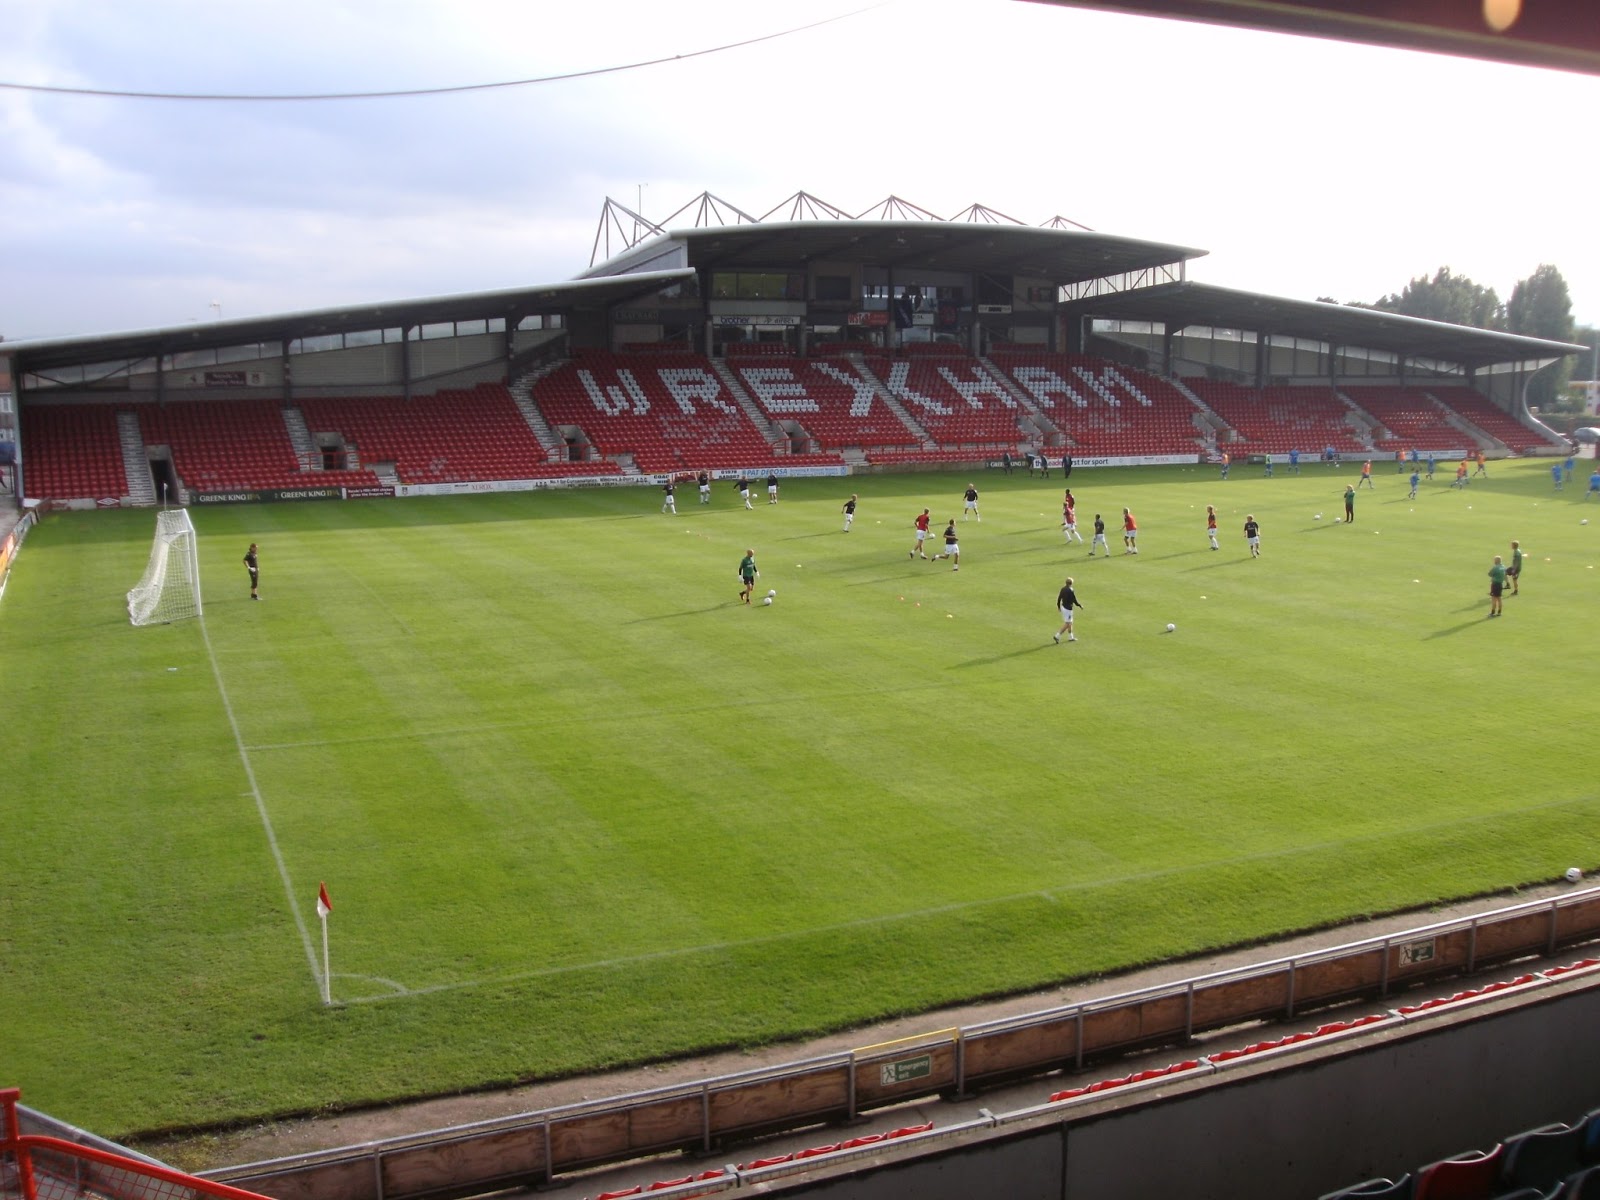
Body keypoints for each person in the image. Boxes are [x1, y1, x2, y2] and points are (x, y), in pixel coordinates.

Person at [1053, 576, 1082, 644]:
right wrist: (1079, 605)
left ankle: (1070, 637)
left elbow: (1059, 598)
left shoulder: (1063, 589)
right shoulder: (1071, 590)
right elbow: (1074, 600)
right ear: (1071, 583)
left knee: (1070, 623)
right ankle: (1057, 636)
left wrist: (1058, 606)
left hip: (1063, 607)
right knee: (1067, 623)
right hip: (1068, 609)